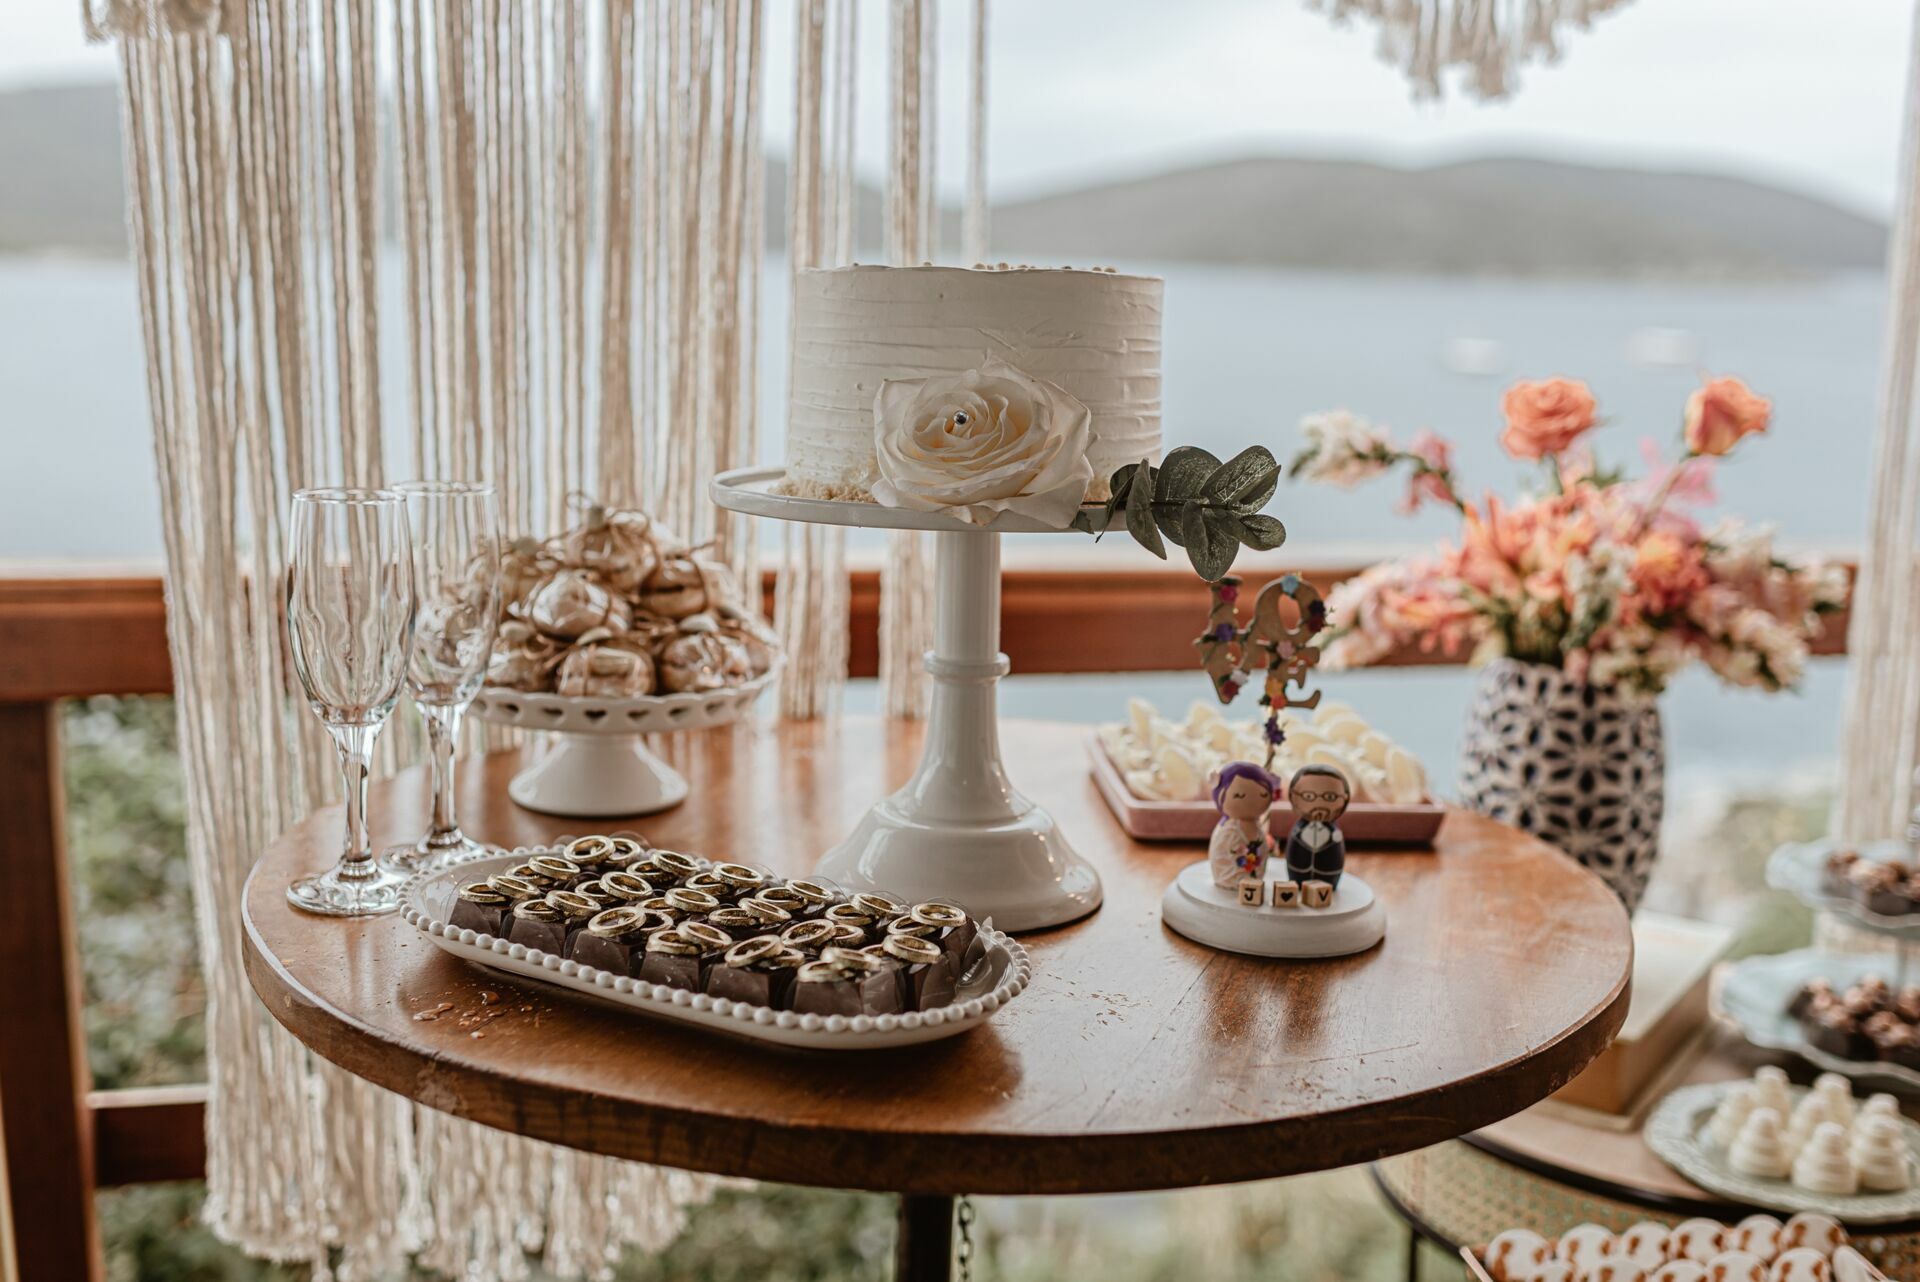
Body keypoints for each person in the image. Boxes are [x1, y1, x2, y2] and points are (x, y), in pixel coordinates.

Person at [1207, 761, 1279, 889]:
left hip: (1255, 882)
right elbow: (1220, 857)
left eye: (1263, 795)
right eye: (1239, 795)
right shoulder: (1228, 830)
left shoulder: (1257, 826)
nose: (1252, 802)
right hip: (1228, 880)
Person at [1284, 764, 1350, 890]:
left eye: (1330, 797)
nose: (1319, 803)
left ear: (1345, 798)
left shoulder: (1334, 831)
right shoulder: (1298, 829)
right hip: (1299, 871)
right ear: (1293, 796)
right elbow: (1294, 850)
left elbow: (1336, 854)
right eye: (1308, 796)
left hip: (1328, 874)